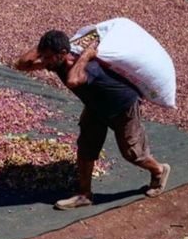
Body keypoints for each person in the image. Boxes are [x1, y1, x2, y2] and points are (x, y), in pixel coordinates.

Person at [15, 29, 171, 210]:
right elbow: (22, 64)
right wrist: (43, 46)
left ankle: (159, 170)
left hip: (122, 107)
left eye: (48, 57)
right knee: (86, 147)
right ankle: (84, 195)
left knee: (133, 154)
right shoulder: (56, 61)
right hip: (95, 106)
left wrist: (87, 54)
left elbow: (73, 80)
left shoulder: (87, 65)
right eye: (43, 56)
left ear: (63, 54)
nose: (44, 61)